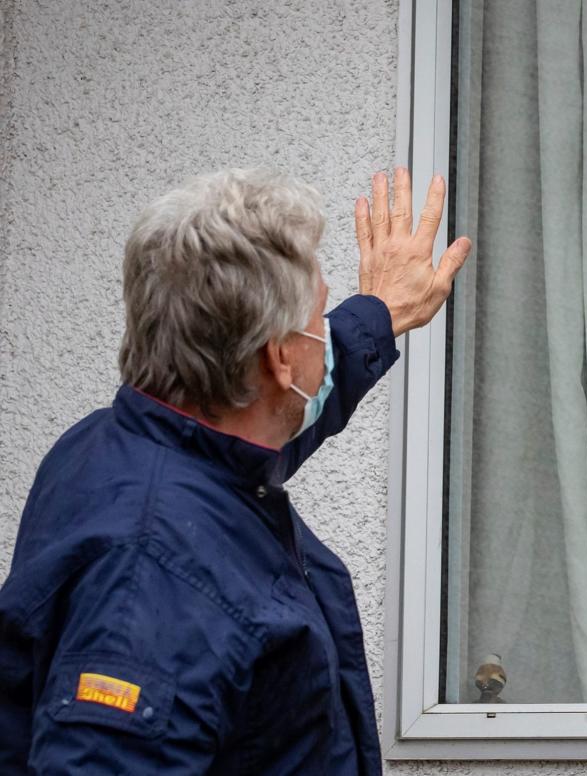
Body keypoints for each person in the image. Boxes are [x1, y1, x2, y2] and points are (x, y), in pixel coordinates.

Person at [0, 167, 470, 773]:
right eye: (320, 325)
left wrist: (378, 312)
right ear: (278, 357)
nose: (325, 343)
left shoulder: (123, 443)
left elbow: (265, 426)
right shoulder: (149, 580)